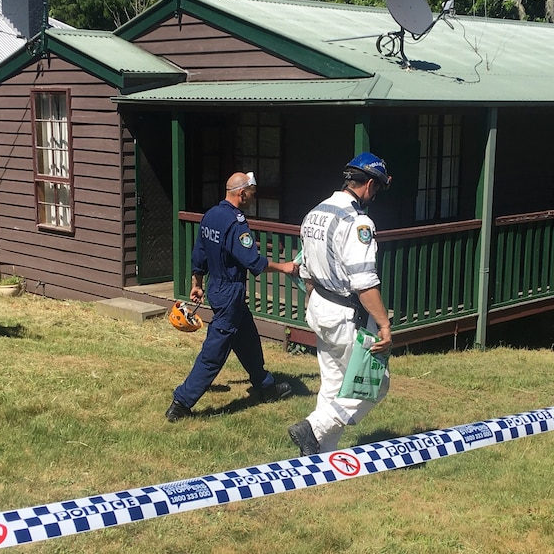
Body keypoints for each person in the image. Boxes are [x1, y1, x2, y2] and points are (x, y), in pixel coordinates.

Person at [165, 171, 298, 422]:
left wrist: (197, 281)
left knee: (247, 337)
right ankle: (181, 402)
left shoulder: (211, 216)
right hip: (230, 291)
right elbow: (253, 261)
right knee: (214, 351)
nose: (253, 198)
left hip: (216, 286)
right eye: (252, 194)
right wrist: (285, 267)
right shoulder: (236, 223)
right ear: (241, 193)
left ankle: (265, 386)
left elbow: (200, 252)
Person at [288, 152, 393, 455]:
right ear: (369, 184)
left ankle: (320, 453)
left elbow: (304, 267)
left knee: (333, 381)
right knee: (373, 383)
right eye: (379, 189)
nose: (376, 195)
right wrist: (384, 324)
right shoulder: (357, 222)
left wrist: (312, 302)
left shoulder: (315, 213)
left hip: (319, 304)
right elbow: (364, 282)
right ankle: (314, 427)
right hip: (345, 312)